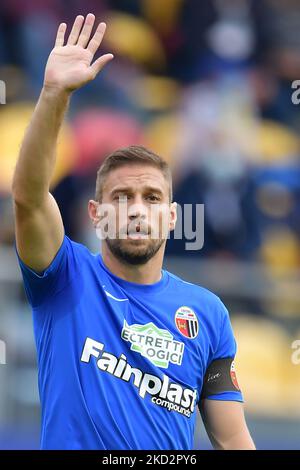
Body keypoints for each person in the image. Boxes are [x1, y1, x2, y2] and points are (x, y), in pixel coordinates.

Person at [12, 14, 255, 450]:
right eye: (122, 197)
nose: (137, 210)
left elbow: (233, 436)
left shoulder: (207, 313)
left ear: (173, 217)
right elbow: (29, 197)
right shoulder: (65, 276)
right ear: (96, 214)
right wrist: (54, 95)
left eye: (152, 198)